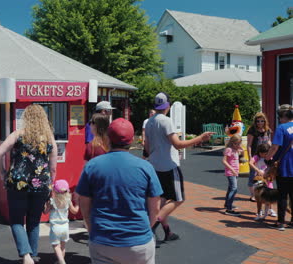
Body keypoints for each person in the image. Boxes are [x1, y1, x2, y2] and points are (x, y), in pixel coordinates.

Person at [76, 118, 163, 264]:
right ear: (131, 140)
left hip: (103, 240)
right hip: (138, 242)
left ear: (108, 139)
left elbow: (84, 204)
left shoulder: (92, 166)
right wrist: (145, 229)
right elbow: (155, 207)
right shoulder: (145, 167)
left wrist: (91, 228)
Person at [0, 104, 58, 264]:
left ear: (26, 118)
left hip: (17, 184)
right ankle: (31, 255)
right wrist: (51, 187)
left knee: (16, 220)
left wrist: (3, 173)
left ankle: (26, 256)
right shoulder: (49, 138)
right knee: (34, 220)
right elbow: (53, 167)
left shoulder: (17, 134)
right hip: (41, 185)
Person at [145, 92, 213, 241]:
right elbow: (178, 145)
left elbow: (147, 147)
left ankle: (167, 232)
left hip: (155, 165)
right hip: (169, 166)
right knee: (178, 199)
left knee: (162, 200)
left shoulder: (149, 122)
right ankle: (151, 228)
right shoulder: (166, 121)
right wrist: (200, 138)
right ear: (167, 105)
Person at [265, 104, 293, 231]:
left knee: (282, 195)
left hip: (285, 166)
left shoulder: (281, 128)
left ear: (283, 116)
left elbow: (275, 147)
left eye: (279, 117)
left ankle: (281, 222)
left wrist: (267, 158)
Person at [43, 179, 79, 264]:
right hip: (65, 227)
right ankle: (60, 261)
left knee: (56, 246)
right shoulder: (68, 201)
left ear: (54, 190)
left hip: (55, 227)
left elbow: (45, 212)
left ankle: (62, 261)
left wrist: (45, 203)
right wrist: (77, 203)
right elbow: (75, 211)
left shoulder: (52, 201)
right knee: (62, 247)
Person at [246, 112, 272, 202]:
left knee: (265, 174)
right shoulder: (252, 130)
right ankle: (253, 194)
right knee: (253, 176)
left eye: (262, 121)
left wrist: (272, 152)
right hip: (256, 155)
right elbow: (249, 145)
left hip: (266, 156)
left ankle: (263, 193)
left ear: (265, 121)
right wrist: (249, 156)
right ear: (255, 122)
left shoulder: (267, 130)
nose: (260, 123)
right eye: (258, 121)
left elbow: (269, 142)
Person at [249, 143, 276, 220]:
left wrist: (270, 173)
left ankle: (270, 209)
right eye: (264, 154)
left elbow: (272, 166)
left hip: (267, 179)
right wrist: (257, 170)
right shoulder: (257, 157)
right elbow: (250, 163)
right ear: (260, 152)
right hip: (259, 179)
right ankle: (260, 211)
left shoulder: (269, 158)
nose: (265, 155)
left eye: (266, 154)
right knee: (259, 196)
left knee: (270, 194)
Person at [222, 135, 244, 216]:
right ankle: (229, 209)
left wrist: (240, 149)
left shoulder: (236, 149)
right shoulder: (229, 149)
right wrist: (232, 169)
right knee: (234, 189)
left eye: (239, 143)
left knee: (230, 188)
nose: (237, 145)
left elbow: (242, 154)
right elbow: (224, 161)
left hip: (236, 172)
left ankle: (227, 204)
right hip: (231, 172)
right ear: (231, 142)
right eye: (236, 144)